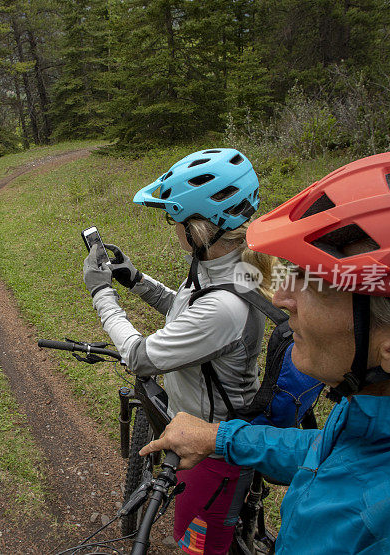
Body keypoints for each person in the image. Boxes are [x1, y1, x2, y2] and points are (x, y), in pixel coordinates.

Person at [140, 148, 390, 554]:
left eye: (315, 281)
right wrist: (221, 438)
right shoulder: (385, 420)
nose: (282, 298)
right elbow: (331, 452)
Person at [82, 148, 276, 554]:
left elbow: (137, 356)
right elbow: (184, 308)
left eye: (175, 221)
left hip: (211, 445)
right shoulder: (234, 266)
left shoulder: (223, 307)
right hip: (216, 428)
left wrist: (101, 290)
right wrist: (134, 280)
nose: (172, 229)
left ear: (198, 229)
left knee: (196, 544)